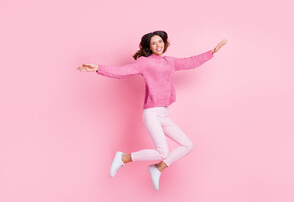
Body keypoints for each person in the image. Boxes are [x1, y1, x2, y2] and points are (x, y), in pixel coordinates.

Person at [77, 31, 227, 190]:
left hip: (164, 114)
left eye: (160, 42)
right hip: (152, 113)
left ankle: (158, 168)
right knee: (162, 152)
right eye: (154, 43)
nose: (158, 45)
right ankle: (123, 158)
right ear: (149, 46)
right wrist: (98, 68)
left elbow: (190, 62)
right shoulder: (144, 63)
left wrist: (212, 52)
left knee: (188, 145)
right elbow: (121, 72)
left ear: (165, 43)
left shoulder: (170, 61)